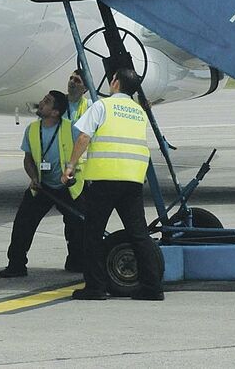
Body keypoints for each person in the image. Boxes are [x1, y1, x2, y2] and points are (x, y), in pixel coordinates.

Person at [62, 67, 164, 301]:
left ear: (115, 83)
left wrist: (70, 166)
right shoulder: (138, 111)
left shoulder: (102, 106)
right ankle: (153, 287)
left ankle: (95, 287)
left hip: (105, 179)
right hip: (132, 180)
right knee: (139, 234)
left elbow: (84, 136)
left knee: (93, 234)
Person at [0, 90, 85, 278]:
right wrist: (33, 177)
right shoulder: (32, 129)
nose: (41, 102)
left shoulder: (71, 128)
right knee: (23, 223)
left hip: (67, 185)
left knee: (77, 225)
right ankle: (17, 264)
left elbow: (83, 146)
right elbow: (28, 158)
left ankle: (77, 260)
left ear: (55, 112)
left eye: (47, 101)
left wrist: (71, 168)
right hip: (42, 185)